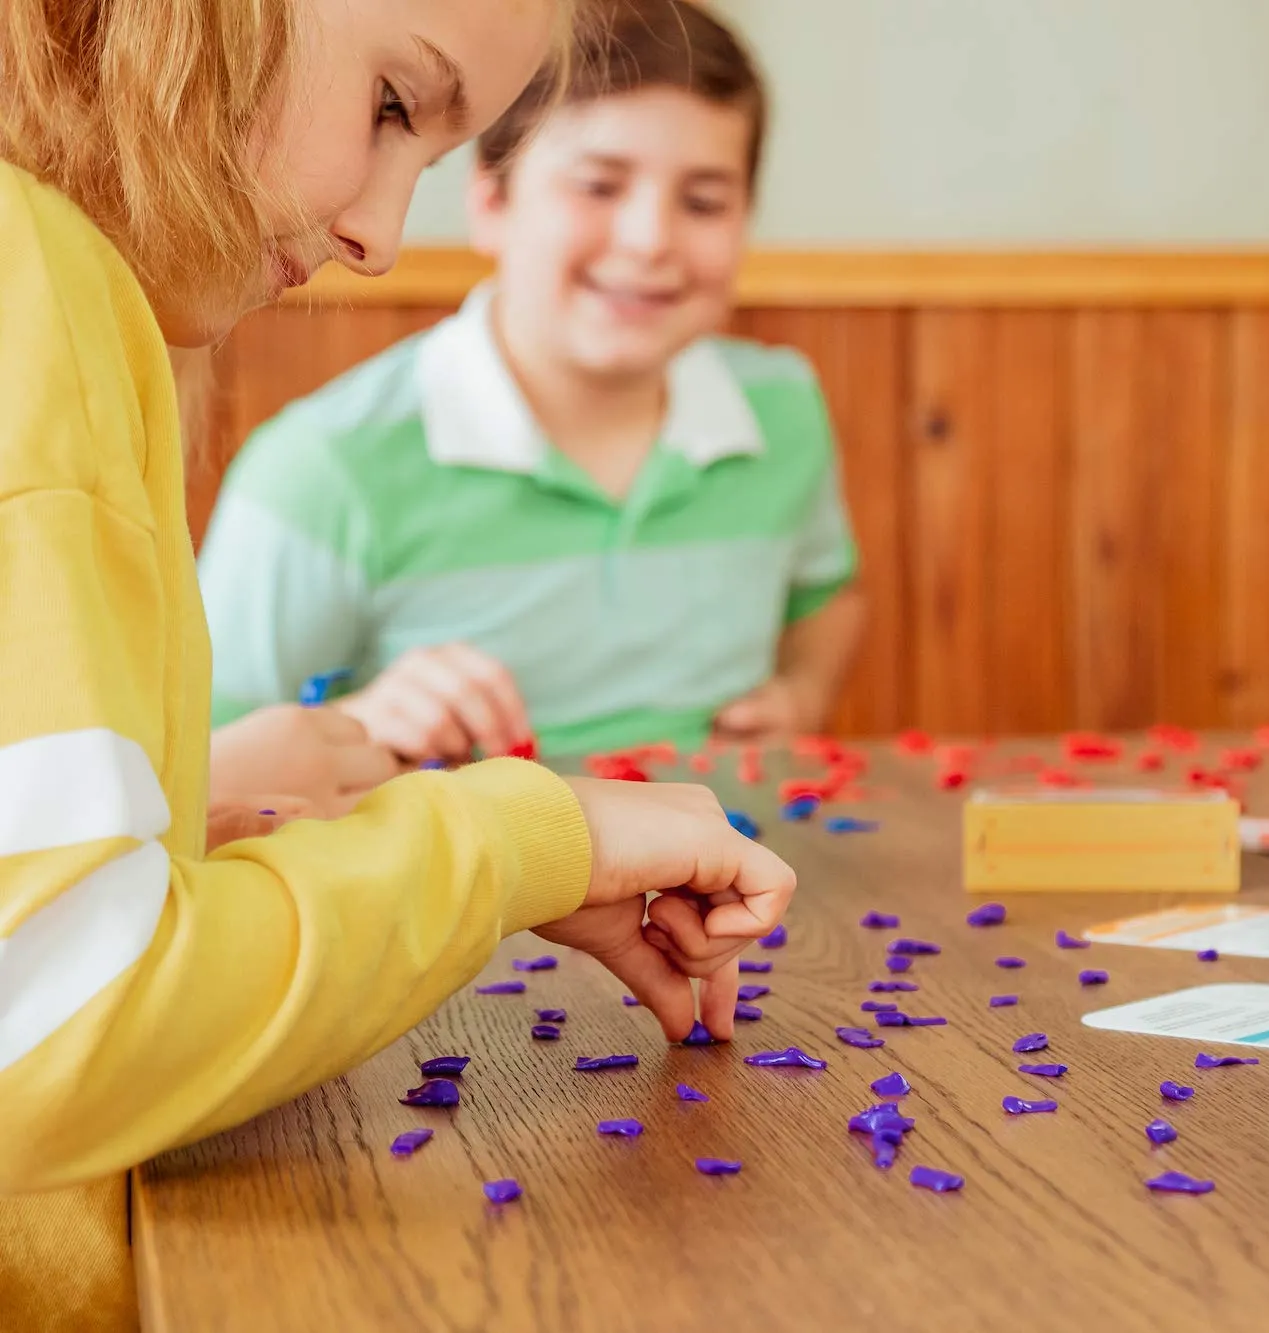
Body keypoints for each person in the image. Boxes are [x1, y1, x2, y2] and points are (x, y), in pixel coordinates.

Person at [0, 3, 796, 1328]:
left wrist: (202, 824)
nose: (377, 235)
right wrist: (532, 838)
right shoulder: (33, 290)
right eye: (387, 107)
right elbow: (51, 1025)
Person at [198, 1, 865, 764]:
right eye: (599, 186)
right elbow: (205, 761)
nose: (650, 241)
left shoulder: (783, 410)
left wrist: (805, 693)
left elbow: (830, 597)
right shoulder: (323, 467)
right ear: (491, 204)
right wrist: (362, 723)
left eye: (704, 202)